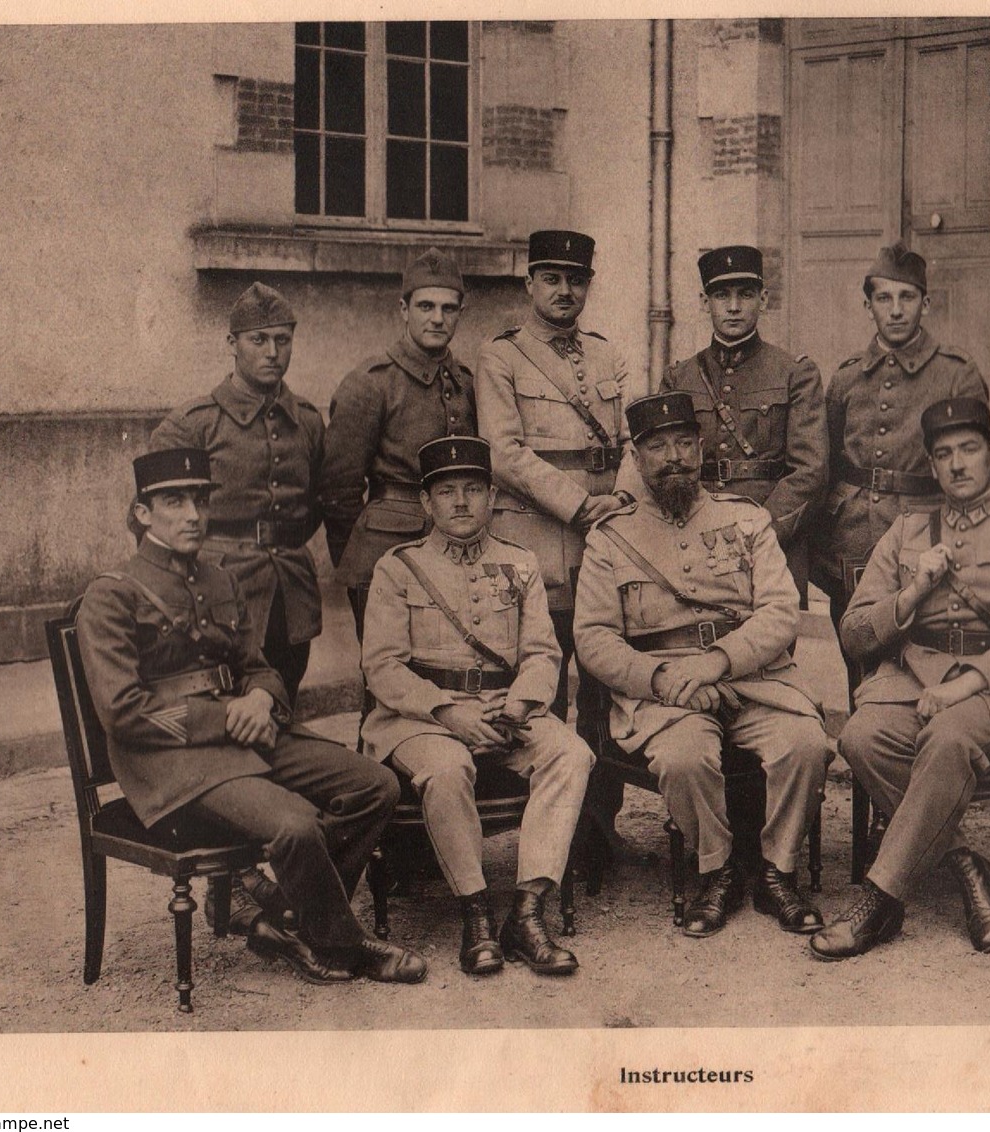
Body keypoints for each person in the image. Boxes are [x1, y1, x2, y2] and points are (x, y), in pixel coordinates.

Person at [76, 449, 426, 985]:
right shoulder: (110, 596)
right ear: (142, 513)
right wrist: (223, 720)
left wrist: (261, 700)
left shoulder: (220, 581)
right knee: (295, 824)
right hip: (171, 761)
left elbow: (259, 670)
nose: (193, 514)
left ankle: (285, 920)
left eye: (199, 499)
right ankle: (343, 943)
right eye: (174, 501)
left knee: (375, 785)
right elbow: (123, 713)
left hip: (247, 733)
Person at [813, 398, 990, 959]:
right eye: (944, 455)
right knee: (861, 737)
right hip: (917, 682)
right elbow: (854, 631)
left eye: (969, 450)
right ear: (932, 467)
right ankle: (965, 864)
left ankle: (879, 899)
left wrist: (967, 682)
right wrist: (911, 593)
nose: (957, 464)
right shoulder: (908, 532)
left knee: (948, 737)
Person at [574, 392, 830, 939]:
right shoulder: (609, 539)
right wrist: (663, 678)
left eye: (685, 444)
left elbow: (782, 610)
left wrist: (719, 661)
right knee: (685, 758)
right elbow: (593, 638)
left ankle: (776, 871)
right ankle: (716, 870)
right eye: (658, 447)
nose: (674, 458)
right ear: (637, 459)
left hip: (753, 680)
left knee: (806, 744)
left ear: (701, 448)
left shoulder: (746, 520)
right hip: (665, 693)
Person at [361, 437, 593, 977]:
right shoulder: (398, 569)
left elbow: (541, 652)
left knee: (571, 754)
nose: (461, 501)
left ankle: (528, 911)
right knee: (447, 768)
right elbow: (383, 667)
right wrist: (448, 713)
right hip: (419, 717)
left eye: (472, 489)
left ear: (492, 497)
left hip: (504, 707)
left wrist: (515, 709)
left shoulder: (520, 563)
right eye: (447, 491)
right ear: (426, 503)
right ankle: (476, 912)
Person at [475, 229, 634, 861]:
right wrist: (578, 503)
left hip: (601, 543)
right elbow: (504, 454)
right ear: (529, 285)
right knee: (542, 680)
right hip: (535, 540)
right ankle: (545, 828)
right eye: (551, 279)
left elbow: (628, 441)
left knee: (601, 683)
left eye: (576, 281)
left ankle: (598, 823)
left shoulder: (605, 354)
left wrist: (617, 500)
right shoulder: (502, 358)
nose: (565, 291)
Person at [318, 250, 477, 740]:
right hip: (383, 549)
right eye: (426, 306)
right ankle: (380, 790)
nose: (437, 318)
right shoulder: (371, 384)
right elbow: (339, 490)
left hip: (452, 548)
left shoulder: (466, 382)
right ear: (403, 309)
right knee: (387, 679)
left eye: (449, 308)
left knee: (441, 673)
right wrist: (360, 563)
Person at [813, 243, 989, 666]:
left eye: (907, 297)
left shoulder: (955, 372)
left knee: (920, 654)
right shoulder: (847, 375)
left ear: (925, 303)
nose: (895, 310)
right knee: (857, 645)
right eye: (884, 298)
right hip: (852, 534)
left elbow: (976, 472)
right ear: (867, 304)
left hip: (922, 531)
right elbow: (828, 461)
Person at [151, 282, 325, 706]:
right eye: (258, 340)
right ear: (233, 343)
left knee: (283, 698)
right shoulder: (193, 424)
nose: (271, 352)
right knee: (225, 708)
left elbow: (318, 502)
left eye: (282, 341)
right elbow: (151, 522)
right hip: (217, 591)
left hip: (289, 591)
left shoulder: (306, 421)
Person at [658, 245, 827, 595]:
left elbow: (810, 470)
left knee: (773, 644)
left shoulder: (795, 373)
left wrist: (760, 531)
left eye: (745, 294)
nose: (733, 307)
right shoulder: (680, 378)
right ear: (705, 302)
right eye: (722, 295)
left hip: (770, 540)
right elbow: (665, 461)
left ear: (763, 299)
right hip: (695, 536)